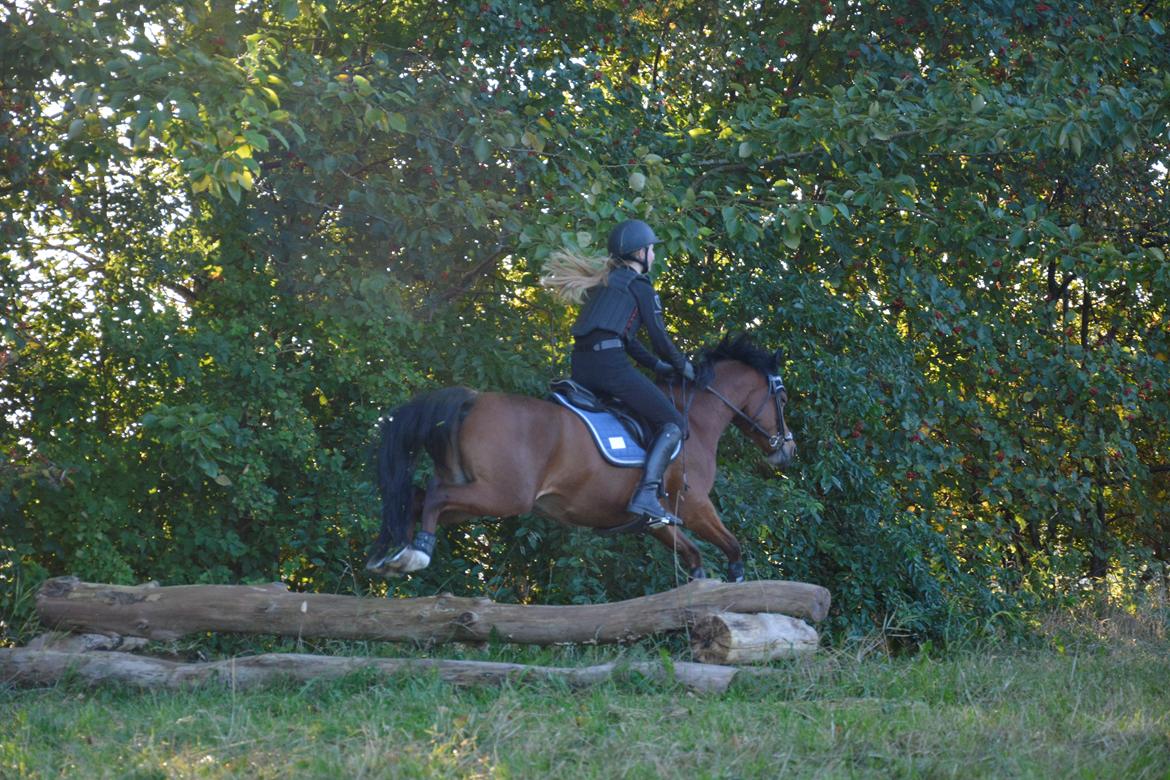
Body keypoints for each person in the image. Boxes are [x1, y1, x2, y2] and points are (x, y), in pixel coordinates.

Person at [541, 218, 695, 526]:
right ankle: (647, 495)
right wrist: (682, 366)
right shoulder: (639, 286)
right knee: (673, 423)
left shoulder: (606, 284)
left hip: (582, 366)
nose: (653, 256)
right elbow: (659, 337)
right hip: (609, 367)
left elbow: (627, 338)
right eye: (651, 250)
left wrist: (655, 366)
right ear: (640, 253)